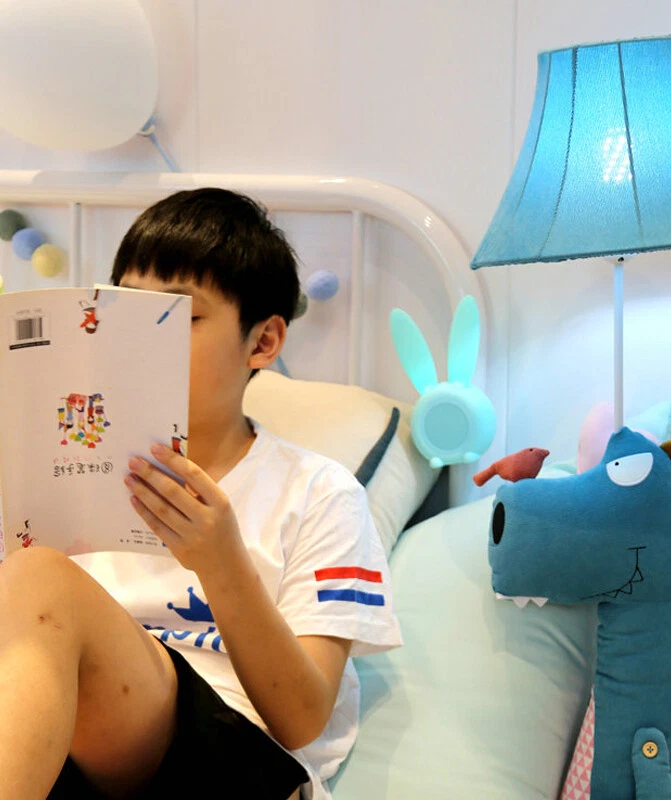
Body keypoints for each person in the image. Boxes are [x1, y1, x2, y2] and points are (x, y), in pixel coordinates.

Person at [0, 188, 402, 800]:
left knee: (41, 575)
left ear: (262, 342)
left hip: (235, 759)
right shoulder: (55, 468)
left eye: (175, 318)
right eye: (124, 312)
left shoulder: (319, 492)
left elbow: (302, 719)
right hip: (64, 752)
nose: (135, 343)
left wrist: (221, 561)